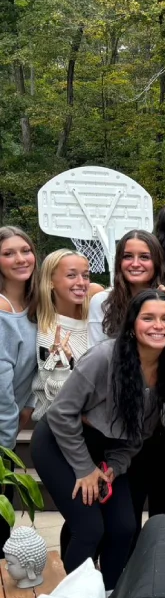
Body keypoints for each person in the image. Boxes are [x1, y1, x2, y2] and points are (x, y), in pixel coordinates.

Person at [30, 291, 165, 590]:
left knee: (124, 527)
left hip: (107, 451)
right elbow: (61, 413)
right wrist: (85, 470)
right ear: (132, 325)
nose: (158, 325)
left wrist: (113, 466)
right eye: (148, 318)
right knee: (89, 529)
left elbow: (140, 433)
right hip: (60, 443)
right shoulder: (104, 357)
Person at [86, 231, 165, 543]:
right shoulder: (102, 301)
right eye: (128, 256)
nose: (135, 263)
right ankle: (119, 560)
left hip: (158, 413)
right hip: (118, 416)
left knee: (161, 490)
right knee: (127, 496)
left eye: (144, 256)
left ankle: (160, 561)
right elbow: (100, 361)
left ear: (156, 261)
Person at [0, 226, 39, 552]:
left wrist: (28, 404)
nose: (20, 258)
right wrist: (8, 432)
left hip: (9, 432)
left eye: (25, 250)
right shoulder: (1, 309)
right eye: (9, 253)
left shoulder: (32, 305)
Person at [32, 249, 104, 419]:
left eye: (85, 276)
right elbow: (61, 401)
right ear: (50, 282)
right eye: (71, 276)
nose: (81, 282)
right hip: (60, 428)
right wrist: (60, 368)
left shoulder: (96, 312)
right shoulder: (49, 334)